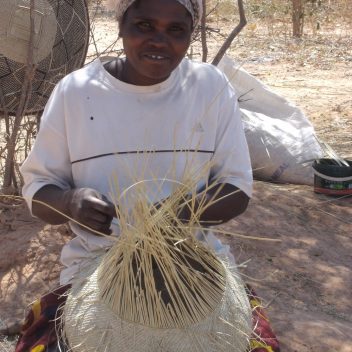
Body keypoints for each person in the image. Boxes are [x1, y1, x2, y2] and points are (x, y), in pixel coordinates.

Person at [17, 0, 280, 351]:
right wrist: (69, 201)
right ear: (122, 24)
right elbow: (37, 189)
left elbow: (237, 188)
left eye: (176, 30)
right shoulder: (76, 92)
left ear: (190, 35)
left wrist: (177, 213)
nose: (159, 41)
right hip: (95, 267)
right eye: (144, 26)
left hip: (196, 263)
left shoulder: (209, 87)